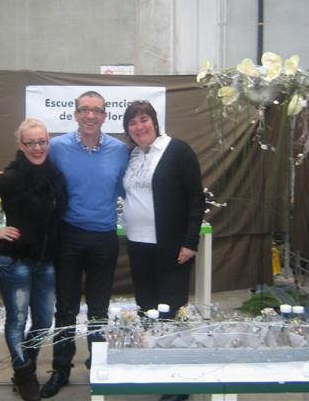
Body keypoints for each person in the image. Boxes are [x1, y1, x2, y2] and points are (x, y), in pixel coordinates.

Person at [0, 91, 129, 398]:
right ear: (75, 114)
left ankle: (98, 368)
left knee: (99, 311)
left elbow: (132, 188)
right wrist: (1, 176)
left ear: (105, 116)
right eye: (84, 110)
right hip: (68, 237)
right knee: (64, 310)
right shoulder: (59, 147)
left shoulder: (120, 151)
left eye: (97, 111)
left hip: (104, 237)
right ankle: (61, 370)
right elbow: (30, 163)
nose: (90, 115)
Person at [0, 118, 67, 401]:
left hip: (45, 260)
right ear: (21, 145)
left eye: (42, 141)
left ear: (49, 141)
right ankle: (24, 376)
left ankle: (26, 364)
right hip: (15, 261)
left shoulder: (55, 174)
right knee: (17, 320)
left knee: (44, 321)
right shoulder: (10, 177)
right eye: (30, 143)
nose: (37, 148)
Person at [121, 100, 204, 401]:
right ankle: (158, 369)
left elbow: (196, 199)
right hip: (138, 244)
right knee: (147, 307)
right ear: (127, 130)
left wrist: (190, 242)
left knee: (171, 309)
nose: (139, 126)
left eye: (144, 120)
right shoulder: (132, 155)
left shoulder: (177, 151)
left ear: (155, 122)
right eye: (132, 123)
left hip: (171, 247)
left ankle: (180, 383)